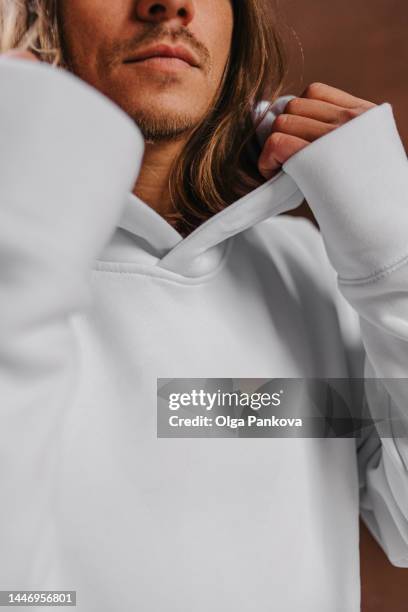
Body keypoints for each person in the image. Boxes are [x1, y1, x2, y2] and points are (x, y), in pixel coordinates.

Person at [0, 0, 407, 610]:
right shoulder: (18, 264)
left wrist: (395, 264)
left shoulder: (305, 267)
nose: (170, 5)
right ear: (35, 14)